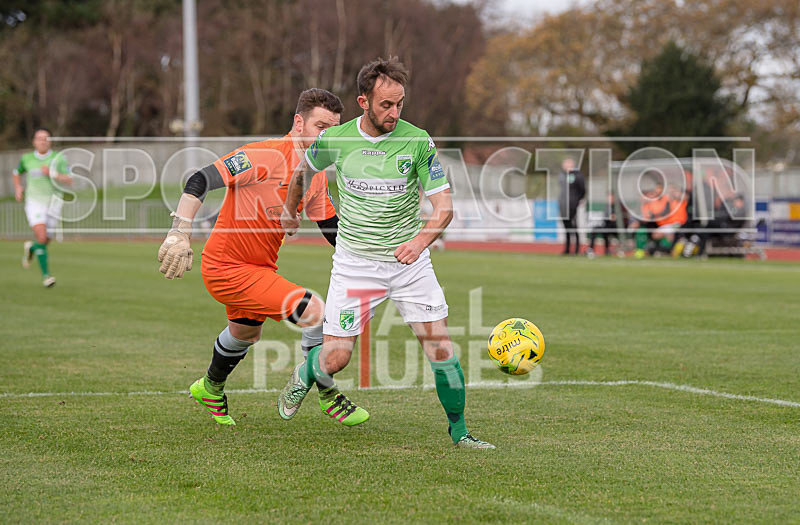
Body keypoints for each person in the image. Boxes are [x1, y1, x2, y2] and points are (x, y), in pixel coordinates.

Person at [279, 57, 494, 449]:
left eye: (400, 104)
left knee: (440, 346)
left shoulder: (417, 141)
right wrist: (289, 212)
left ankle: (460, 431)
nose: (394, 113)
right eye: (385, 105)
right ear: (363, 101)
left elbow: (444, 207)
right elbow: (303, 173)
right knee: (335, 360)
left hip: (409, 265)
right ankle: (304, 373)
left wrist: (418, 242)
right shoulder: (337, 140)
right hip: (355, 263)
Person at [157, 88, 347, 426]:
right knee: (315, 312)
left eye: (334, 129)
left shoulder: (315, 176)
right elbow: (200, 178)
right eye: (321, 127)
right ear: (298, 122)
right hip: (225, 268)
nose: (327, 136)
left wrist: (372, 257)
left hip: (260, 269)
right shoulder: (262, 156)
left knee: (245, 334)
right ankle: (324, 391)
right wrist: (180, 230)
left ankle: (210, 387)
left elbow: (331, 229)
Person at [13, 128, 72, 287]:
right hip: (34, 202)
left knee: (45, 240)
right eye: (40, 138)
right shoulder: (27, 158)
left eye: (46, 138)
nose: (43, 141)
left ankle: (32, 248)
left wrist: (53, 173)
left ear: (50, 141)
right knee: (41, 236)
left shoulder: (58, 158)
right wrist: (18, 187)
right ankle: (47, 276)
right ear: (34, 141)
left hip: (53, 202)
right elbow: (16, 172)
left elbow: (69, 179)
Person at [557, 158, 585, 255]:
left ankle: (577, 249)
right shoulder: (562, 175)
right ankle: (567, 249)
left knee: (574, 226)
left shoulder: (577, 175)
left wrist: (578, 199)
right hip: (563, 204)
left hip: (572, 204)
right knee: (566, 227)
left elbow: (582, 189)